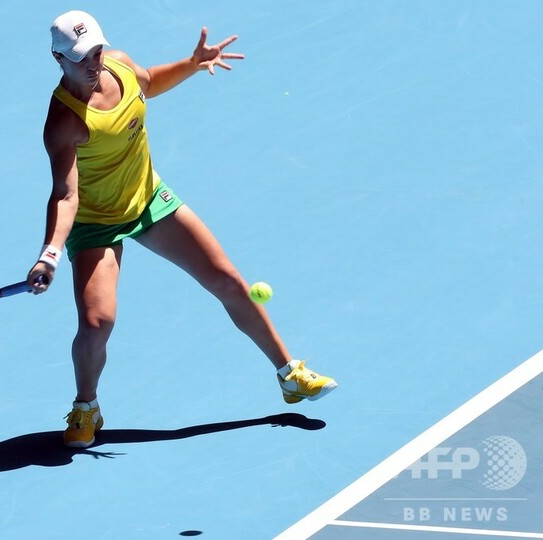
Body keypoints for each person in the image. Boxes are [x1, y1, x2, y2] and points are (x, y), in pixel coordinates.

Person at [27, 10, 337, 449]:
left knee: (228, 280)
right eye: (81, 57)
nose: (93, 62)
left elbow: (150, 81)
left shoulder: (119, 65)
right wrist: (50, 253)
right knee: (96, 324)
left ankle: (290, 374)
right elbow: (65, 195)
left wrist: (191, 65)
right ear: (58, 59)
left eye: (96, 50)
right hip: (96, 224)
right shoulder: (64, 121)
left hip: (149, 199)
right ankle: (86, 406)